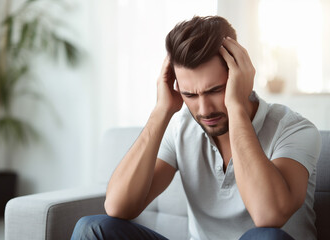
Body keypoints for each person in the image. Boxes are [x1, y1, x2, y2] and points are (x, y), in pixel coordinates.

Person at [71, 16, 322, 240]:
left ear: (240, 75)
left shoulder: (293, 129)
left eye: (215, 90)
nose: (204, 109)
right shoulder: (181, 127)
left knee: (266, 237)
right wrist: (162, 111)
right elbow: (117, 207)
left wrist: (235, 107)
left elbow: (269, 216)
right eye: (190, 94)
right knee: (92, 228)